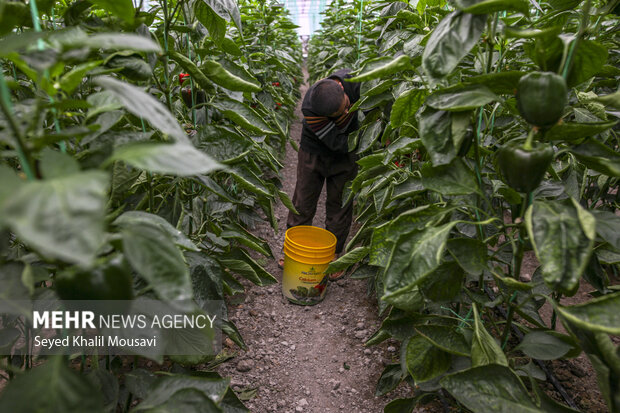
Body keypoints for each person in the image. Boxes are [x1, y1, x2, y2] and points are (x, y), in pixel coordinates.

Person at [284, 69, 361, 280]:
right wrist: (363, 142)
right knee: (303, 199)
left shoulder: (356, 83)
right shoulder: (311, 107)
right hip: (315, 152)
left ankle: (335, 255)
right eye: (339, 114)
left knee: (340, 204)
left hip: (346, 155)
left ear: (343, 89)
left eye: (347, 106)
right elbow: (337, 144)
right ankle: (293, 250)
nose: (346, 113)